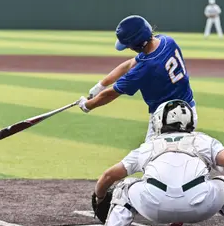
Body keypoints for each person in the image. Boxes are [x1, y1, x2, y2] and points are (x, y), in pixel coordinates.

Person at [83, 99, 224, 226]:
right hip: (201, 206)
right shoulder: (204, 141)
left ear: (159, 121)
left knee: (124, 187)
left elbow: (108, 176)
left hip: (154, 208)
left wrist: (100, 196)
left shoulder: (148, 146)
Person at [78, 15, 198, 143]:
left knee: (149, 159)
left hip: (167, 121)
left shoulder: (146, 67)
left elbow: (111, 94)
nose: (129, 48)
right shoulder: (166, 40)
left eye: (129, 46)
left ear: (137, 45)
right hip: (189, 110)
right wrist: (101, 85)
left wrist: (87, 105)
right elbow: (130, 63)